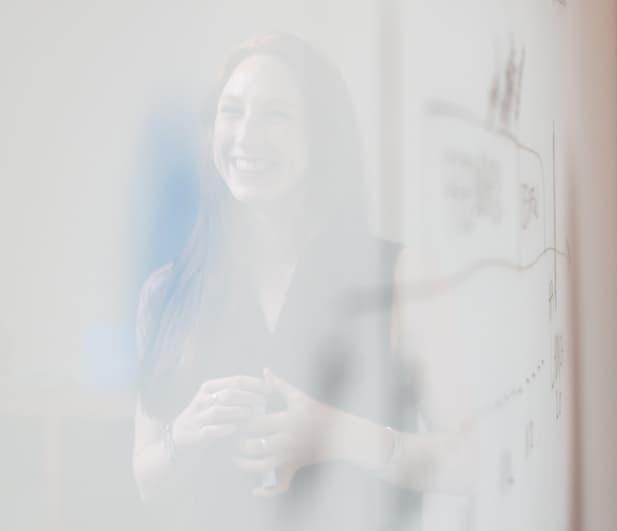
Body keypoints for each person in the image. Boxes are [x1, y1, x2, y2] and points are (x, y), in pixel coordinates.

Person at [131, 33, 419, 531]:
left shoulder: (397, 276)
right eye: (232, 111)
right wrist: (184, 433)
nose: (246, 137)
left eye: (277, 115)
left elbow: (467, 457)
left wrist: (336, 434)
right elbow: (146, 481)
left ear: (322, 136)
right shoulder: (167, 292)